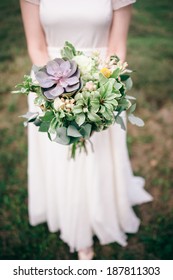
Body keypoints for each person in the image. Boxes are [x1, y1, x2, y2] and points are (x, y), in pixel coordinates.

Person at [20, 0, 153, 260]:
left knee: (95, 157)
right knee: (61, 156)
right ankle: (69, 217)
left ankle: (99, 214)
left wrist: (101, 86)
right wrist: (58, 92)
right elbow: (36, 46)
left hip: (101, 84)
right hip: (50, 83)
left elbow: (117, 47)